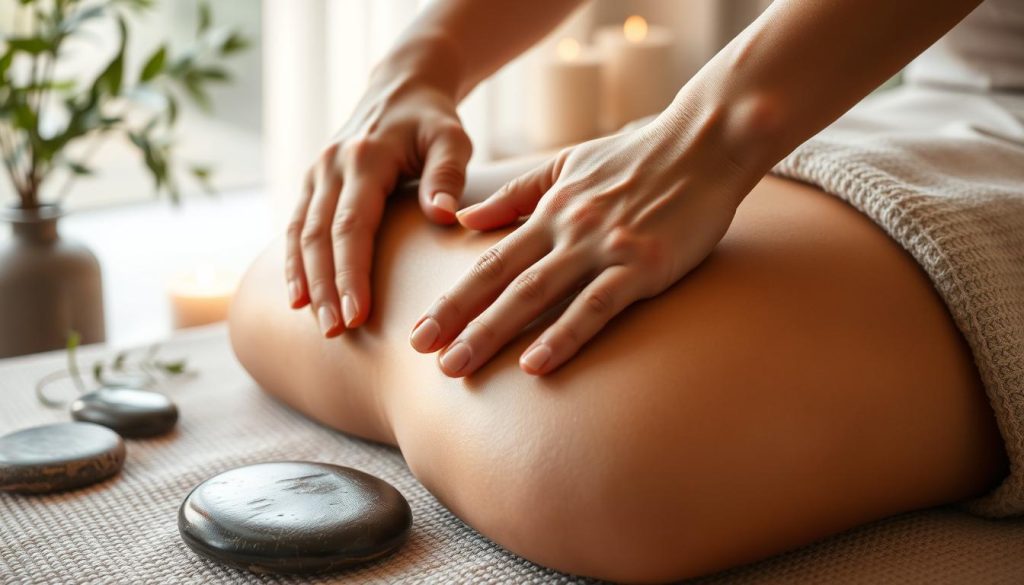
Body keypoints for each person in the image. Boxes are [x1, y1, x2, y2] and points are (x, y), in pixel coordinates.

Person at [229, 0, 1024, 581]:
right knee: (304, 272)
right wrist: (413, 68)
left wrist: (713, 135)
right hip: (903, 107)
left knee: (596, 448)